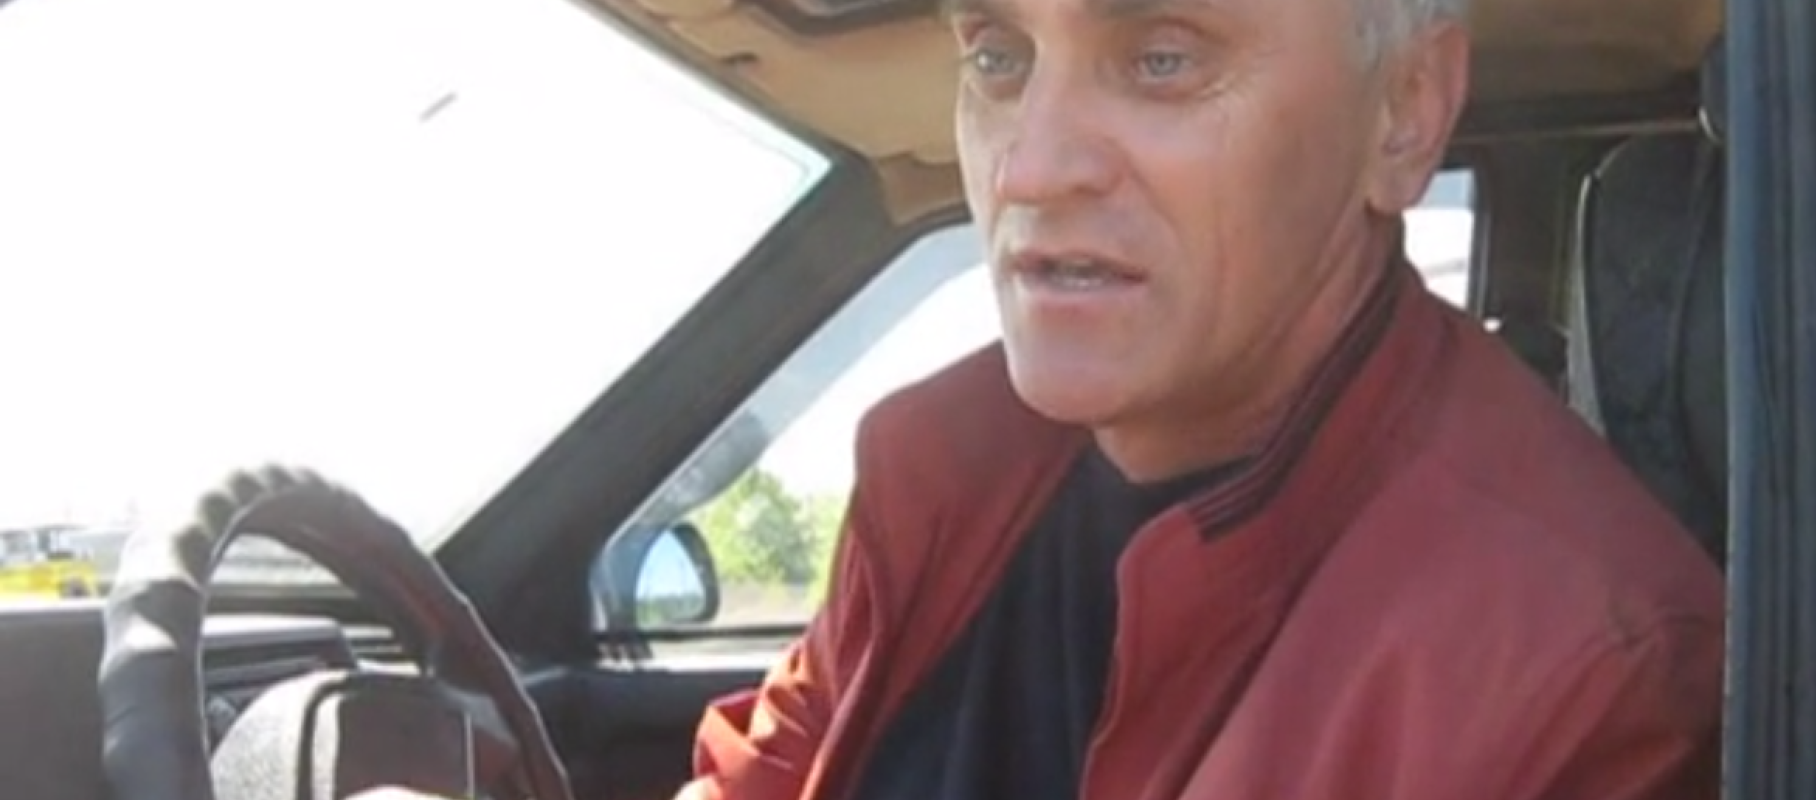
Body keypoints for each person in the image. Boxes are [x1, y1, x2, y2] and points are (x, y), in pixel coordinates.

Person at [372, 0, 1726, 796]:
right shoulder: (937, 474)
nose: (1030, 167)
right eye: (998, 55)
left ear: (1407, 113)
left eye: (1163, 56)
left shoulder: (1592, 670)